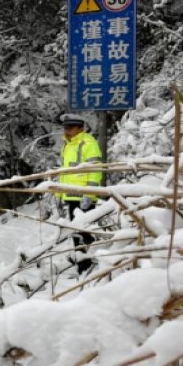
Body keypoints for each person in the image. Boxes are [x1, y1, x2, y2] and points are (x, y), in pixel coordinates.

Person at [58, 113, 103, 271]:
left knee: (85, 232)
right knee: (76, 232)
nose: (66, 131)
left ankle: (87, 265)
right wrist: (59, 193)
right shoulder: (68, 144)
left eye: (70, 128)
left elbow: (96, 169)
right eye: (65, 128)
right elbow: (65, 171)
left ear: (81, 128)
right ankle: (81, 263)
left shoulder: (88, 142)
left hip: (84, 195)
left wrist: (89, 195)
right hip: (70, 195)